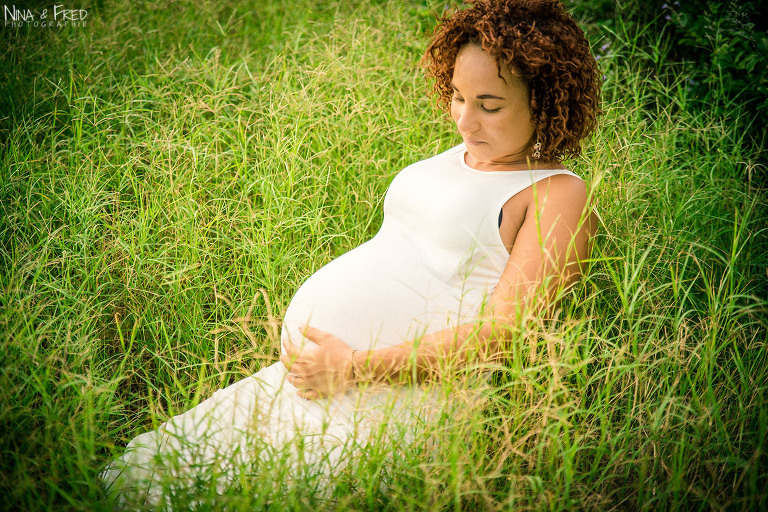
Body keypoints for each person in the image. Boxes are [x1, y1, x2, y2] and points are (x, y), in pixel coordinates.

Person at [101, 0, 600, 506]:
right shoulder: (463, 155)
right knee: (137, 477)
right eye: (457, 97)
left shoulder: (557, 193)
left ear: (546, 99)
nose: (464, 121)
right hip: (311, 382)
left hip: (392, 400)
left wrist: (355, 366)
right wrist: (332, 367)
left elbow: (506, 335)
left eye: (489, 105)